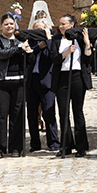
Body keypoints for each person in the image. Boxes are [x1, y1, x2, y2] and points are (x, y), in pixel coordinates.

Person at [0, 14, 30, 158]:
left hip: (18, 82)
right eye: (6, 24)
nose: (9, 26)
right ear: (1, 26)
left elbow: (29, 60)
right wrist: (19, 48)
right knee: (0, 115)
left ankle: (16, 148)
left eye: (11, 24)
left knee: (17, 115)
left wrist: (28, 51)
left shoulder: (20, 41)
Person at [52, 14, 93, 157]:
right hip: (62, 77)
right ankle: (66, 145)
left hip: (77, 77)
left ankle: (81, 146)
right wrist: (66, 52)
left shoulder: (79, 39)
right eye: (60, 24)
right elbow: (54, 58)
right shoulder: (56, 40)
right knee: (63, 112)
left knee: (78, 111)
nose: (61, 26)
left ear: (72, 25)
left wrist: (87, 43)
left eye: (64, 24)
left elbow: (88, 59)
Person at [21, 17, 60, 152]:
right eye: (36, 29)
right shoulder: (31, 42)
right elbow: (27, 57)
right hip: (32, 81)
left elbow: (54, 56)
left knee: (49, 113)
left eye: (41, 29)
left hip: (46, 81)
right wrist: (38, 47)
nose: (39, 31)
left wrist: (47, 41)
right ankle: (35, 143)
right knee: (32, 115)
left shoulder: (51, 41)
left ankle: (53, 142)